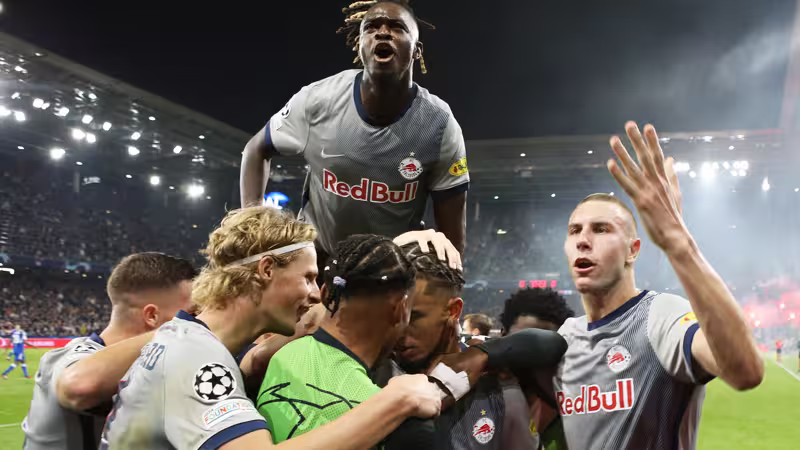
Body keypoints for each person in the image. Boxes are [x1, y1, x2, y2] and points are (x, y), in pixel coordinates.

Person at [99, 207, 443, 450]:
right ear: (266, 270)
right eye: (308, 277)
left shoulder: (186, 339)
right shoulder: (197, 360)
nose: (315, 294)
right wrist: (396, 400)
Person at [555, 122, 764, 449]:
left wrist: (678, 243)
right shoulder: (564, 338)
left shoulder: (659, 316)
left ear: (632, 250)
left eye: (601, 229)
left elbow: (745, 371)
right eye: (574, 230)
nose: (583, 239)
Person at [240, 0, 469, 276]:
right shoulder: (317, 100)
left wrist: (449, 284)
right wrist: (250, 225)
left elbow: (453, 237)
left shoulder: (440, 124)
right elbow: (256, 149)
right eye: (371, 27)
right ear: (360, 45)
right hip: (317, 262)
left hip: (388, 273)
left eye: (397, 27)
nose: (382, 33)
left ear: (416, 50)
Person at [388, 243, 562, 450]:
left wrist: (481, 354)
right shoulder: (373, 376)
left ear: (453, 311)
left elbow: (551, 342)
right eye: (392, 315)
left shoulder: (499, 389)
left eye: (413, 317)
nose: (399, 329)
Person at [22, 253, 196, 450]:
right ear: (152, 316)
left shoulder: (154, 368)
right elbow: (79, 386)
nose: (197, 322)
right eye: (190, 315)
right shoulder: (66, 359)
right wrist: (178, 332)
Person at [500, 288, 575, 450]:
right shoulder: (476, 394)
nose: (531, 353)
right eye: (522, 341)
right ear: (503, 336)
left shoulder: (575, 402)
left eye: (544, 345)